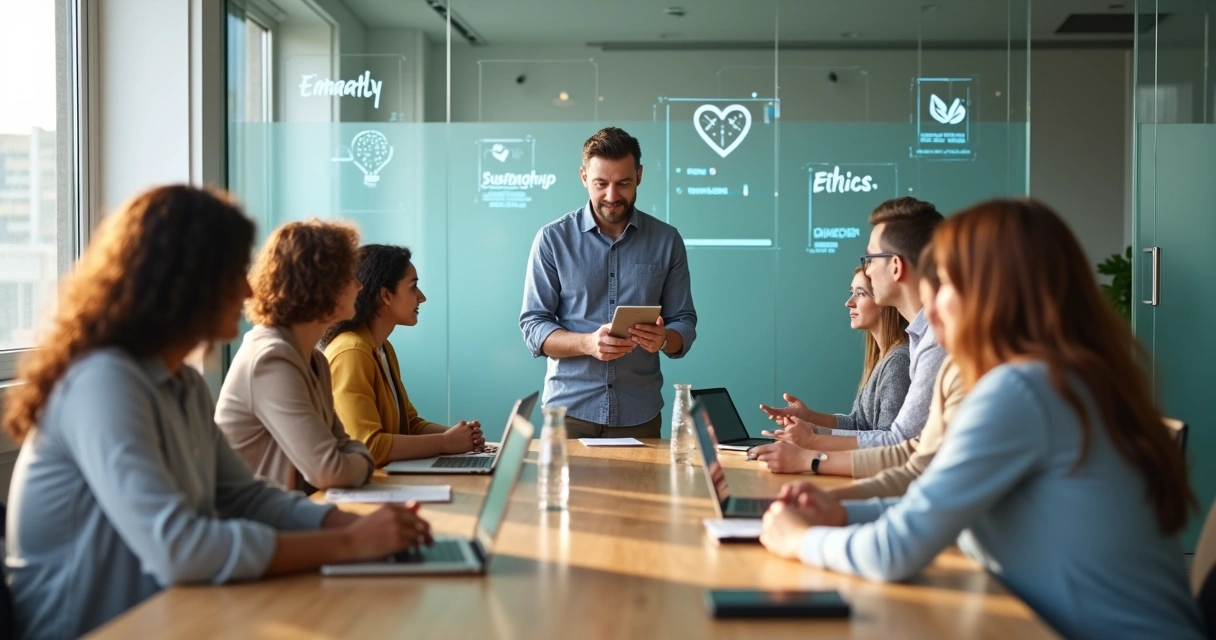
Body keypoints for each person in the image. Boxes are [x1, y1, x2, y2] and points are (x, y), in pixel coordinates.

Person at [759, 199, 1206, 640]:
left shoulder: (1023, 390)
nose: (931, 309)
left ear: (993, 292)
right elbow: (933, 502)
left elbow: (896, 550)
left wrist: (796, 539)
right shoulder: (1068, 377)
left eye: (946, 284)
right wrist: (839, 510)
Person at [1, 186, 431, 640]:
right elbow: (180, 547)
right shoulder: (103, 383)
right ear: (183, 281)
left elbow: (245, 498)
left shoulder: (182, 382)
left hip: (170, 612)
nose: (248, 288)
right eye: (231, 272)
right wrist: (349, 542)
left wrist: (364, 527)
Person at [519, 127, 697, 439]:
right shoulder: (552, 239)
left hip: (640, 414)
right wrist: (586, 343)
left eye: (623, 183)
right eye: (601, 183)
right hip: (569, 413)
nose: (612, 196)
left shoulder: (667, 241)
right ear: (584, 176)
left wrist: (665, 339)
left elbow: (684, 321)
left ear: (639, 176)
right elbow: (534, 326)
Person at [760, 197, 945, 456]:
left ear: (895, 266)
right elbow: (875, 432)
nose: (866, 271)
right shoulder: (920, 339)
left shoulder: (935, 343)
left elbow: (900, 445)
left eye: (870, 259)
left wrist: (811, 449)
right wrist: (811, 430)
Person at [215, 220, 374, 491]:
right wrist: (365, 461)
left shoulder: (317, 361)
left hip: (295, 511)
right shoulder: (270, 358)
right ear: (321, 283)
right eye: (349, 275)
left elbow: (344, 446)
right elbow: (330, 471)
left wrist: (355, 459)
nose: (359, 285)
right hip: (261, 524)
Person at [322, 244, 484, 466]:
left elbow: (409, 424)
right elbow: (367, 445)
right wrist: (446, 443)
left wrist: (461, 437)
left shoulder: (383, 348)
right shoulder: (351, 353)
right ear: (386, 295)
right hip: (369, 488)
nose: (422, 297)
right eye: (413, 287)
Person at [751, 267, 910, 473]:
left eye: (860, 294)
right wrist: (809, 418)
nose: (849, 302)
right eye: (851, 292)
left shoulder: (898, 362)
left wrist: (814, 439)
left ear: (883, 301)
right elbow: (858, 424)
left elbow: (886, 442)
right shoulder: (882, 358)